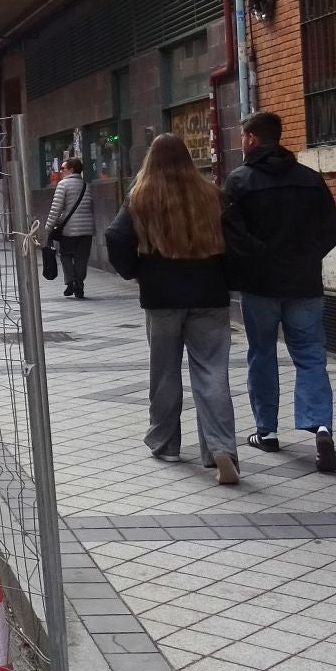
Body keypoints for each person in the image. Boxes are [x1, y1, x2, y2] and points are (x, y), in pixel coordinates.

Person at [105, 133, 240, 484]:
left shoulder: (140, 197)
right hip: (209, 294)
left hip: (161, 296)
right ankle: (220, 448)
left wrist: (135, 272)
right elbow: (236, 241)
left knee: (164, 372)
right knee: (212, 372)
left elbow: (116, 237)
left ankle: (165, 443)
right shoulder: (211, 194)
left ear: (151, 160)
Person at [223, 110, 336, 473]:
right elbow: (332, 228)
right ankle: (320, 425)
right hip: (304, 282)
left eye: (243, 136)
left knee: (262, 353)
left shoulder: (239, 181)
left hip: (260, 286)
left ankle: (267, 430)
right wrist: (306, 257)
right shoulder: (309, 179)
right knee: (310, 355)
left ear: (252, 139)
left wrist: (255, 261)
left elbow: (231, 234)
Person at [44, 156, 97, 298]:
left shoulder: (63, 185)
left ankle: (71, 282)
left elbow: (56, 209)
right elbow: (91, 208)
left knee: (65, 255)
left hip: (69, 229)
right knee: (82, 257)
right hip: (87, 229)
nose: (60, 171)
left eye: (63, 168)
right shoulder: (86, 185)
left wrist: (48, 227)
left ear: (71, 170)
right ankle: (79, 284)